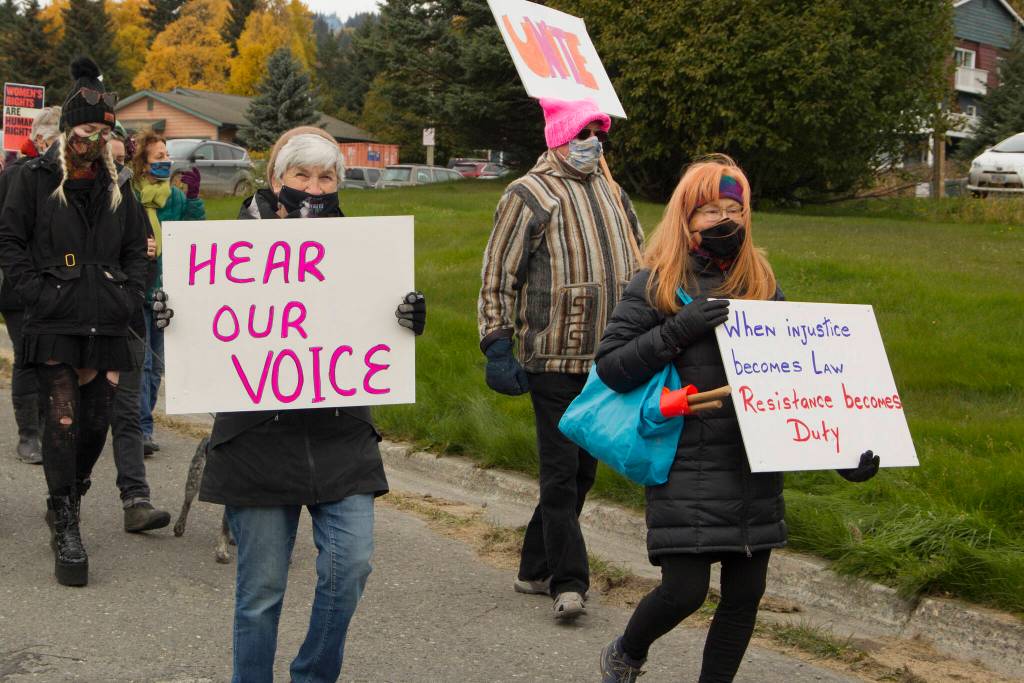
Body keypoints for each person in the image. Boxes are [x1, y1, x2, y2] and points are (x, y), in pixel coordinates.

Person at [593, 156, 880, 682]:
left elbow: (802, 379)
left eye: (735, 209)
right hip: (685, 462)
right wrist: (680, 328)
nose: (725, 221)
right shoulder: (656, 282)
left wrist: (841, 451)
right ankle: (627, 651)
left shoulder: (761, 281)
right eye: (710, 211)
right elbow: (612, 366)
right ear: (685, 219)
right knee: (684, 591)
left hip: (754, 464)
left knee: (746, 595)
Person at [159, 126, 427, 682]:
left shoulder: (365, 251)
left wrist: (403, 319)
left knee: (350, 567)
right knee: (260, 592)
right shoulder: (226, 252)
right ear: (276, 179)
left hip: (340, 436)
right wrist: (174, 315)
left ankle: (312, 674)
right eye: (300, 174)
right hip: (257, 438)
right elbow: (211, 328)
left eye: (325, 176)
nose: (313, 186)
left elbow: (370, 327)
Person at [477, 98, 645, 621]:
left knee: (581, 475)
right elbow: (496, 274)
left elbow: (640, 258)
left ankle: (533, 567)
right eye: (583, 130)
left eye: (599, 131)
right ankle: (568, 584)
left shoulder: (612, 190)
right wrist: (496, 342)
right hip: (551, 356)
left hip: (609, 360)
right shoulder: (528, 193)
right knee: (559, 472)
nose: (592, 140)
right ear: (560, 133)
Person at [0, 57, 149, 587]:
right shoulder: (33, 179)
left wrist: (128, 295)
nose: (98, 140)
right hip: (53, 317)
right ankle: (67, 522)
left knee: (97, 423)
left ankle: (70, 489)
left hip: (106, 318)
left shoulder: (118, 185)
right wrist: (35, 292)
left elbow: (137, 248)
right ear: (68, 130)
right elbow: (10, 242)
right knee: (61, 421)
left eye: (106, 131)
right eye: (89, 129)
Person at [103, 124, 173, 532]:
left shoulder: (129, 196)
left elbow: (145, 258)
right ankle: (66, 498)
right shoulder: (59, 195)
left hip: (124, 320)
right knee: (81, 419)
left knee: (126, 413)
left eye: (117, 161)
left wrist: (138, 268)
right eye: (105, 161)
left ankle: (136, 500)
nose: (112, 168)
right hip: (75, 323)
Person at [132, 128, 204, 455]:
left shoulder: (172, 197)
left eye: (166, 155)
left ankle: (142, 426)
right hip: (137, 289)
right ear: (143, 164)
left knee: (157, 365)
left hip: (165, 292)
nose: (166, 161)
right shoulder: (131, 195)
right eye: (158, 156)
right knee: (142, 363)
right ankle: (139, 430)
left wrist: (193, 199)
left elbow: (191, 231)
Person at [0, 106, 61, 464]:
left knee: (51, 356)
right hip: (20, 284)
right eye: (53, 141)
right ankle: (29, 435)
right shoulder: (15, 175)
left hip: (56, 284)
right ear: (39, 140)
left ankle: (49, 426)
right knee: (27, 355)